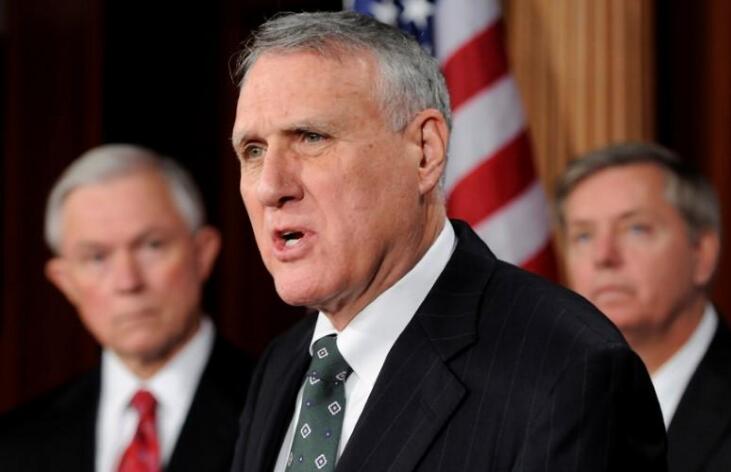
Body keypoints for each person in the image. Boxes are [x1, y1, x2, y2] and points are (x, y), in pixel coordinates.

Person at [229, 11, 666, 472]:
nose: (270, 187)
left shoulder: (567, 370)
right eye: (253, 150)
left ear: (425, 151)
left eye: (311, 137)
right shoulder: (284, 363)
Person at [0, 144, 254, 472]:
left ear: (202, 254)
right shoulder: (15, 445)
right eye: (96, 258)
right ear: (65, 282)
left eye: (152, 246)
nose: (128, 282)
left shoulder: (279, 410)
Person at [555, 142, 730, 472]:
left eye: (636, 229)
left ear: (702, 253)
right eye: (583, 236)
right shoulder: (540, 399)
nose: (603, 256)